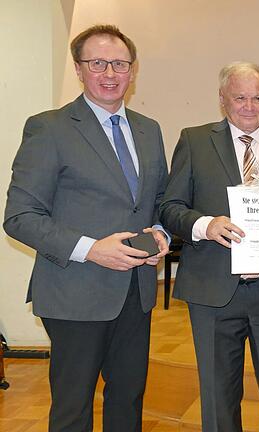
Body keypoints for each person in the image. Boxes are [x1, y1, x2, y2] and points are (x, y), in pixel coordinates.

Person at [3, 24, 170, 431]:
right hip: (74, 293)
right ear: (79, 69)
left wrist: (163, 231)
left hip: (136, 294)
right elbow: (19, 216)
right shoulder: (49, 127)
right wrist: (92, 249)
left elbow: (159, 201)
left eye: (120, 64)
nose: (110, 73)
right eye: (97, 63)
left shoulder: (149, 130)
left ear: (132, 71)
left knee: (127, 402)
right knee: (73, 410)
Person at [159, 61, 259, 432]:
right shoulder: (194, 141)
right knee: (218, 398)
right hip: (214, 293)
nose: (249, 105)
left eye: (257, 97)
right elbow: (169, 208)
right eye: (240, 97)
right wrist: (205, 224)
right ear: (222, 100)